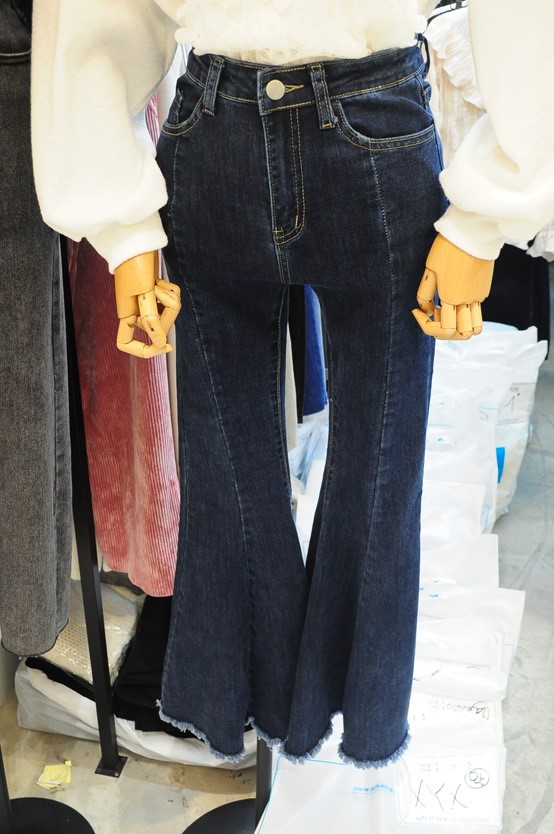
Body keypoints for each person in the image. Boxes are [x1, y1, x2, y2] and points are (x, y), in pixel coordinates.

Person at [31, 0, 554, 767]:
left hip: (352, 115)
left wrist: (486, 215)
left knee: (376, 471)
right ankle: (267, 713)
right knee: (232, 475)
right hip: (233, 121)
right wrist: (122, 226)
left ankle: (343, 712)